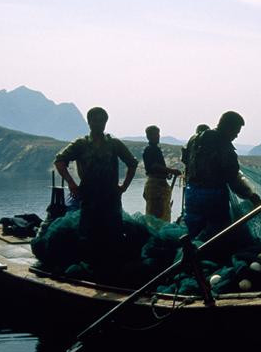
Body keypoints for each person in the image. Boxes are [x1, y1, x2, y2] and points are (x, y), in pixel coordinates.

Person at [54, 106, 138, 274]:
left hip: (110, 196)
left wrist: (124, 187)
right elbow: (60, 161)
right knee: (89, 233)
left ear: (106, 122)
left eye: (102, 120)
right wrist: (71, 183)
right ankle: (90, 268)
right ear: (89, 121)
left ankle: (112, 269)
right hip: (89, 195)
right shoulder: (81, 144)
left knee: (113, 232)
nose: (98, 123)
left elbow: (132, 163)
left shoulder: (114, 144)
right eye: (95, 120)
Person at [184, 112, 261, 241]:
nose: (236, 135)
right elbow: (233, 178)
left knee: (194, 231)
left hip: (191, 193)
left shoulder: (194, 139)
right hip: (213, 197)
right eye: (236, 131)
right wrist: (251, 195)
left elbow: (185, 160)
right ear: (227, 127)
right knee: (218, 235)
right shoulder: (224, 146)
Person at [142, 125, 181, 221]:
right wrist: (171, 171)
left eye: (158, 134)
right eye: (155, 134)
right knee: (158, 215)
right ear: (149, 136)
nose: (158, 136)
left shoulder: (155, 149)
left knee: (159, 212)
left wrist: (167, 174)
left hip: (157, 183)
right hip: (156, 186)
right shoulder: (150, 149)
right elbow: (154, 166)